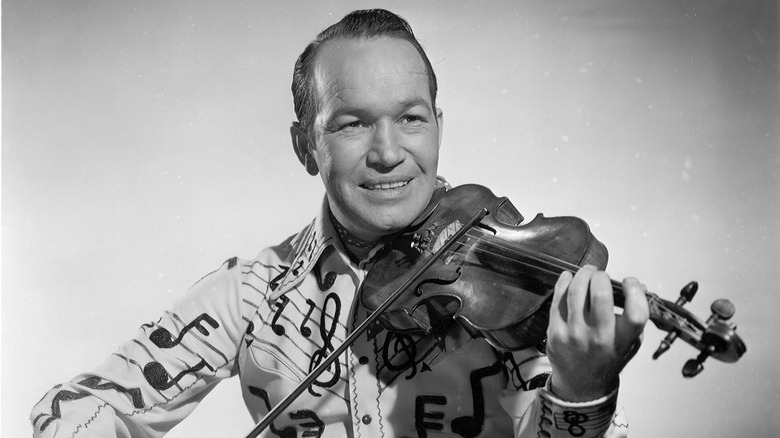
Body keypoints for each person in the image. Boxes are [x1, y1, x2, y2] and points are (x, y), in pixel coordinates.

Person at [31, 9, 649, 438]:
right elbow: (78, 408)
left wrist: (582, 387)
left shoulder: (513, 294)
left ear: (438, 124)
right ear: (306, 147)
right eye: (352, 123)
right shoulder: (250, 296)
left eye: (410, 118)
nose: (387, 153)